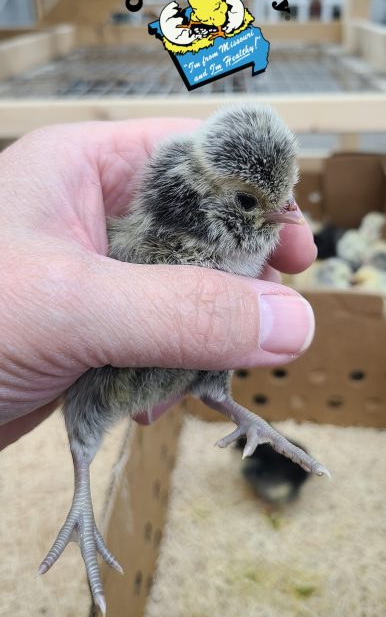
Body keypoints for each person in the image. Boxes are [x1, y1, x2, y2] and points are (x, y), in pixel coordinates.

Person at [0, 118, 316, 450]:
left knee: (214, 385)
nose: (291, 210)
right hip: (88, 396)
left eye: (287, 195)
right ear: (199, 203)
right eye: (248, 202)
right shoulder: (132, 254)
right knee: (86, 432)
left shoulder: (240, 254)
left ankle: (229, 405)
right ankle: (83, 468)